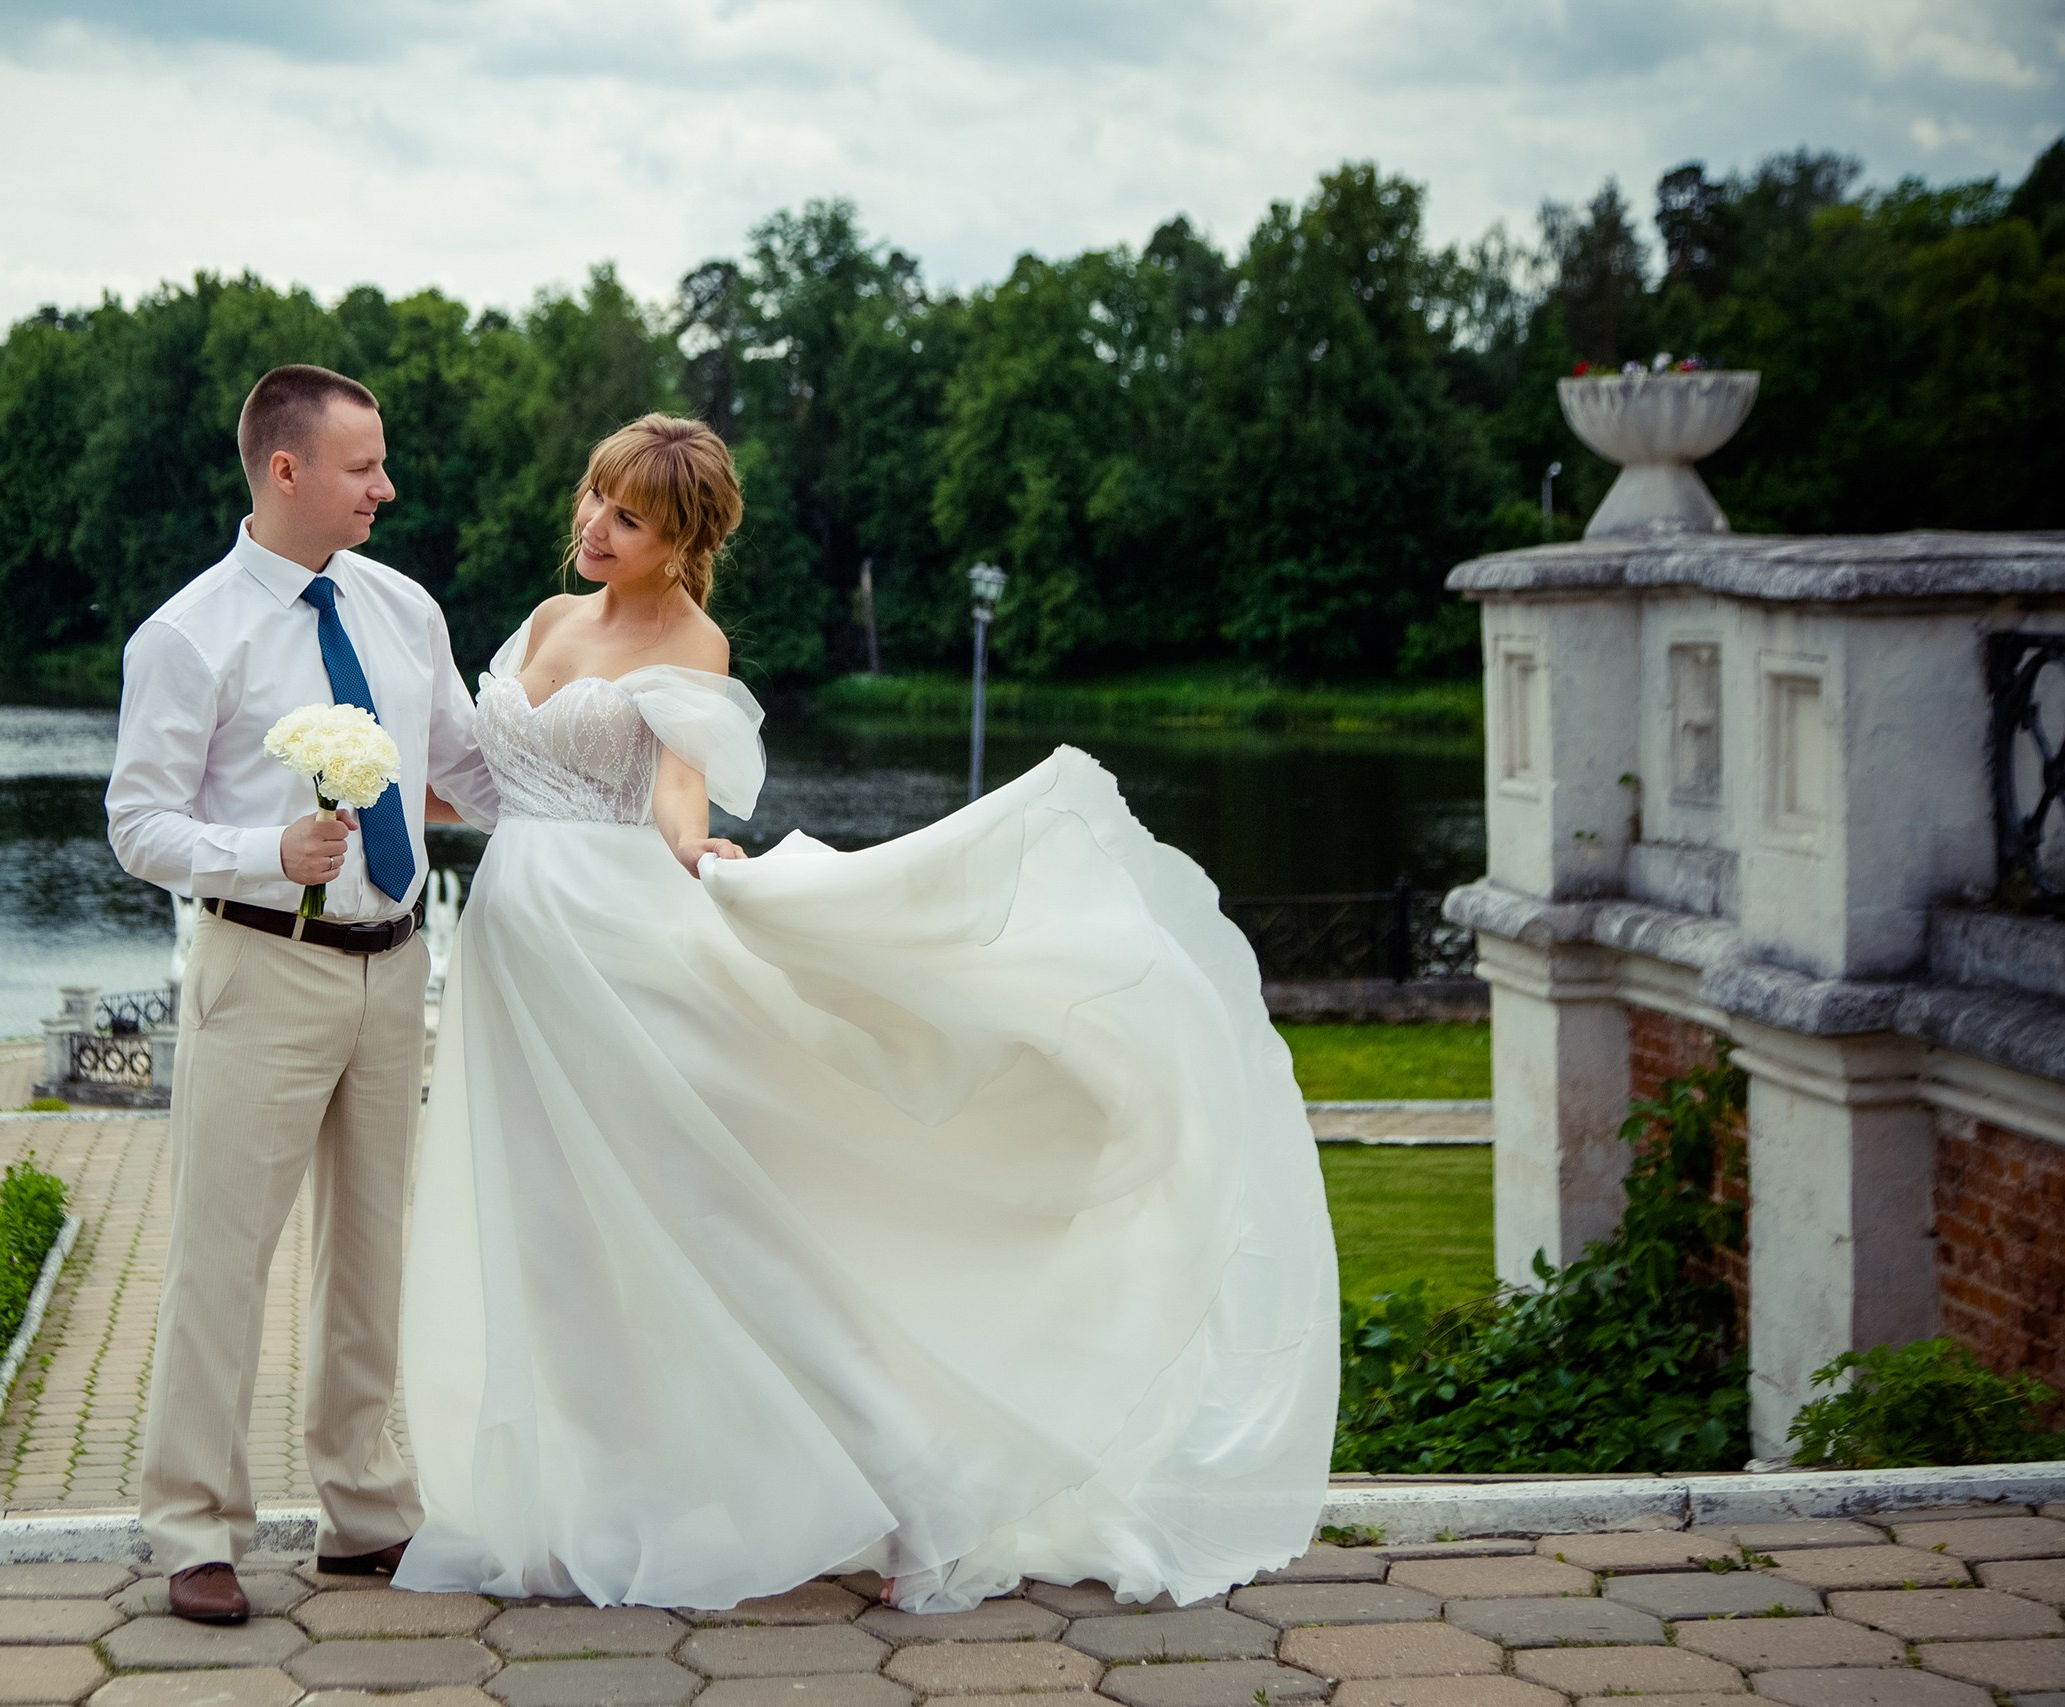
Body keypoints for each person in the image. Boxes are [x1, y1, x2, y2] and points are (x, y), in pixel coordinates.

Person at [394, 413, 1339, 1614]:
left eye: (627, 516)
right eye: (593, 496)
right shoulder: (544, 620)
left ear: (680, 538)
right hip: (513, 965)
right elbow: (488, 777)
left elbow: (676, 793)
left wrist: (701, 858)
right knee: (556, 1239)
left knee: (731, 1233)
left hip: (617, 953)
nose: (593, 526)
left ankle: (923, 1501)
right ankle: (604, 1506)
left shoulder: (691, 637)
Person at [106, 364, 501, 1624]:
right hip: (259, 965)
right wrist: (262, 855)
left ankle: (365, 1513)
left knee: (370, 1254)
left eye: (381, 463)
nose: (386, 486)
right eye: (362, 466)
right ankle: (192, 1527)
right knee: (223, 1258)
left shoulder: (404, 610)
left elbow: (466, 774)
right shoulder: (186, 634)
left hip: (395, 968)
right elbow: (136, 826)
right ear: (287, 471)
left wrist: (617, 825)